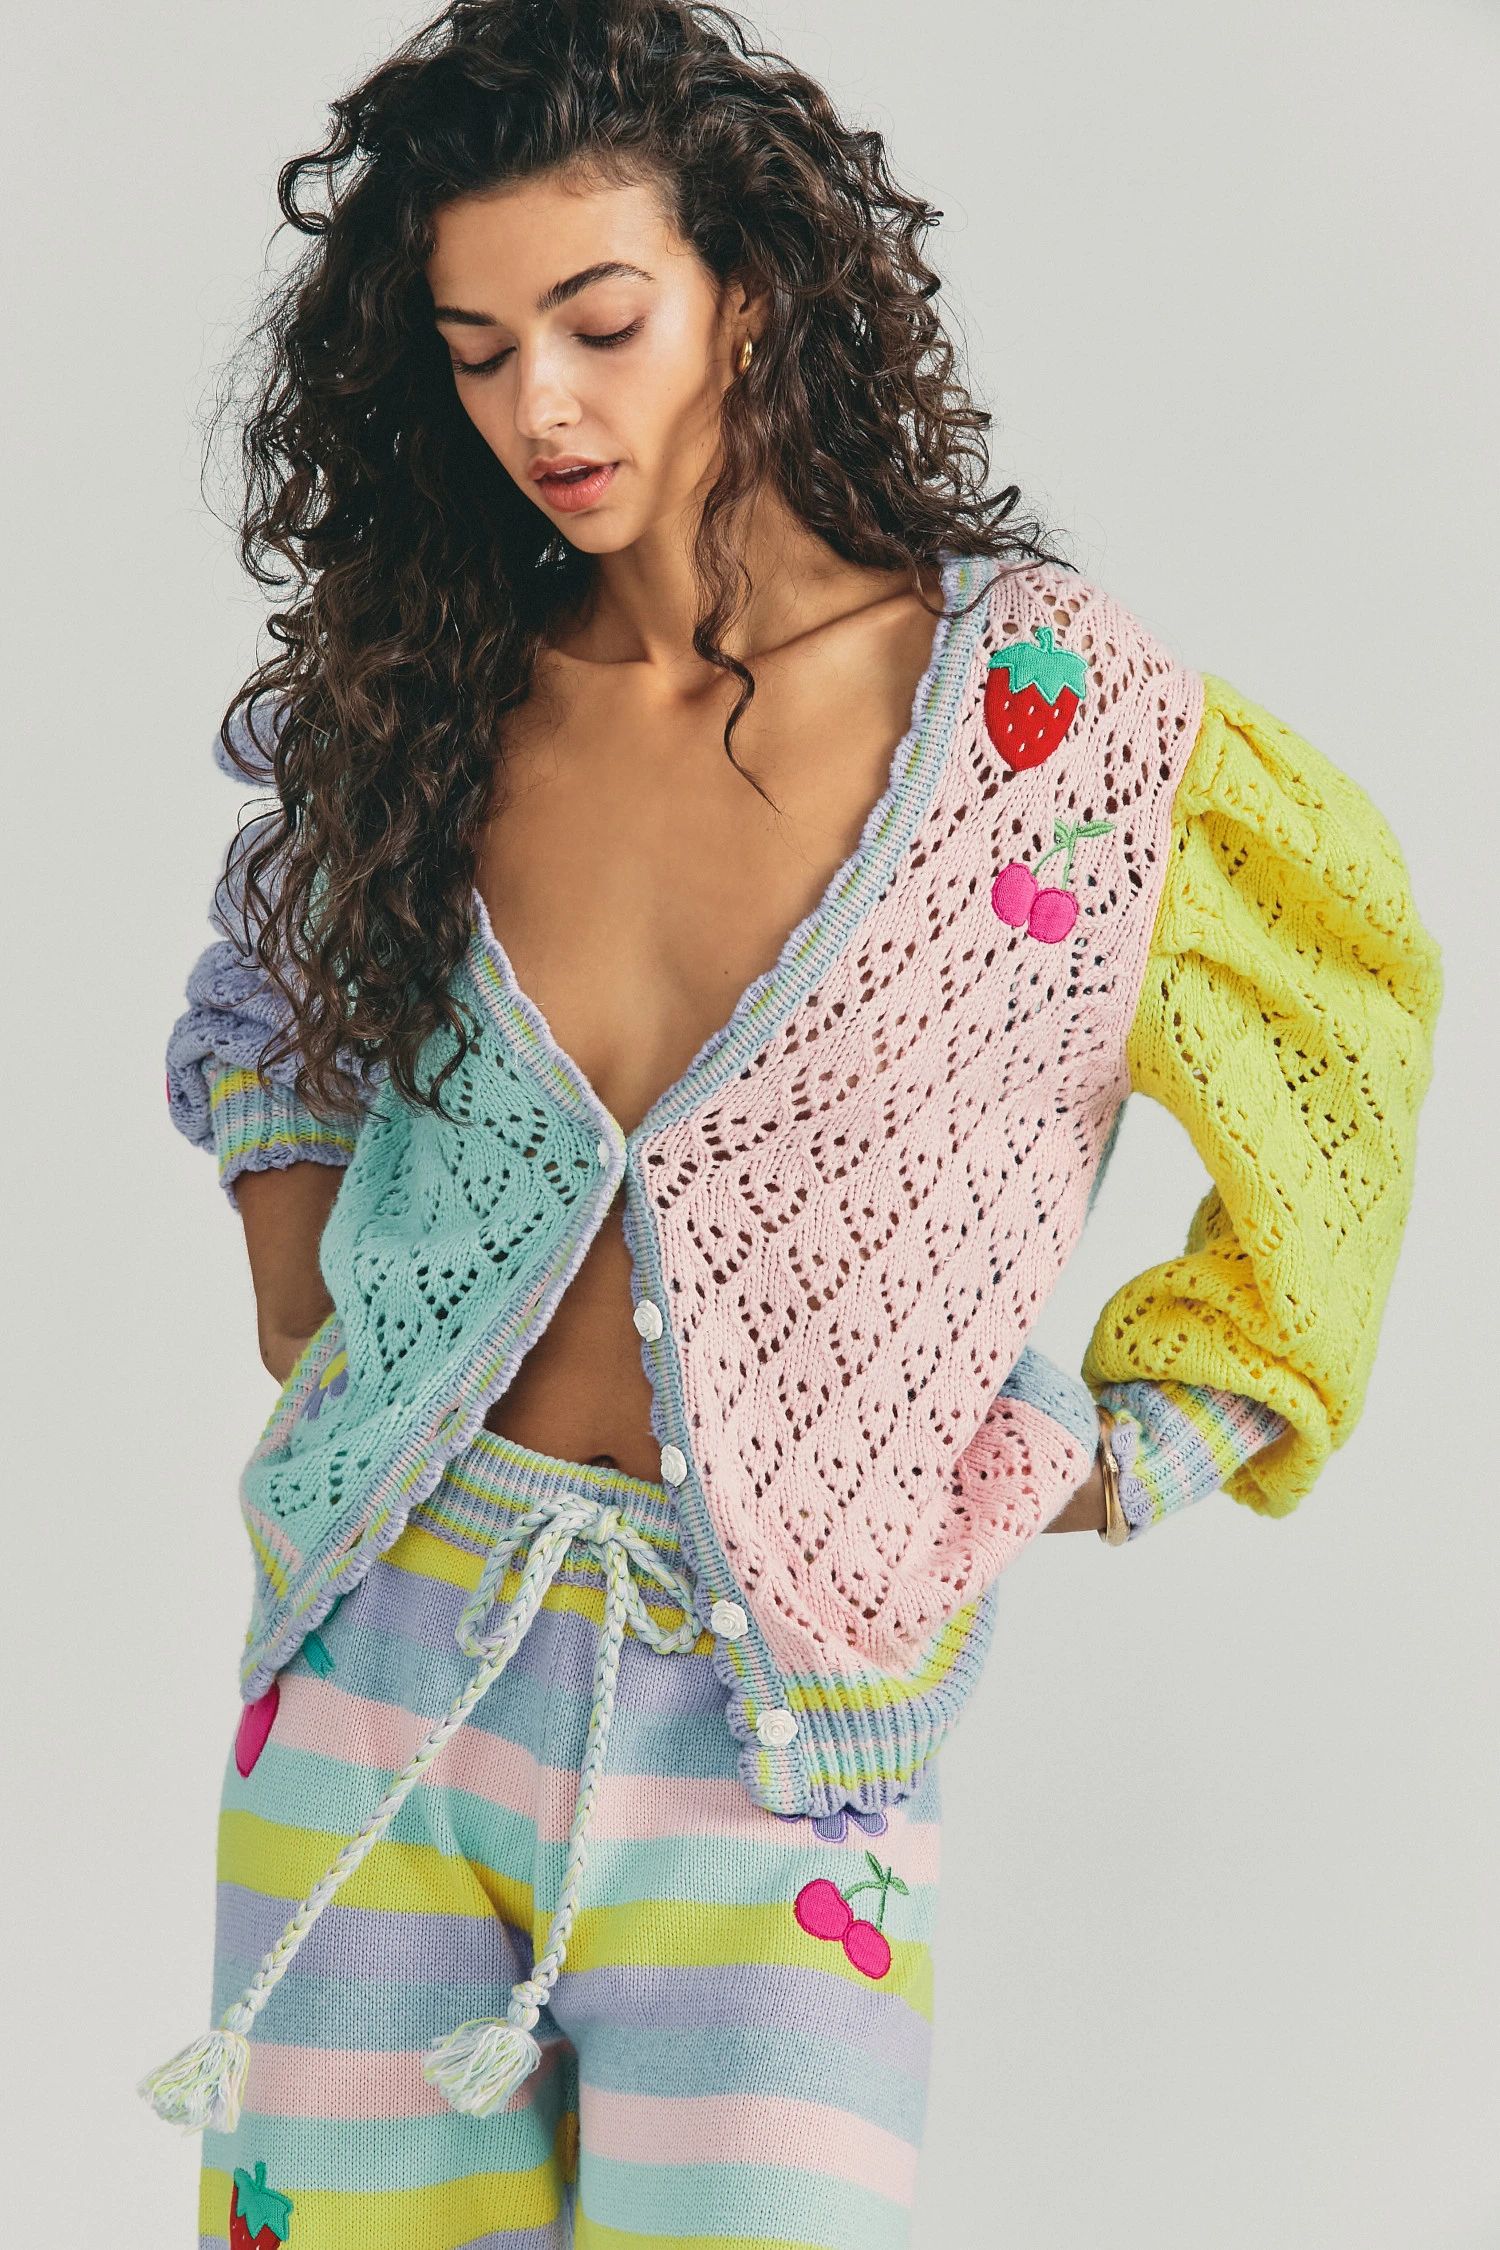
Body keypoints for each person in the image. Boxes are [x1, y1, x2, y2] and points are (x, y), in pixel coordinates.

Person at [141, 3, 1444, 2245]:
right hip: (380, 1666)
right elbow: (274, 992)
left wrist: (1119, 1450)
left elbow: (1348, 1040)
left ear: (748, 290)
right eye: (476, 351)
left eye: (600, 322)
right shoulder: (428, 690)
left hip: (778, 1740)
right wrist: (310, 1285)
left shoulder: (1048, 724)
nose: (542, 409)